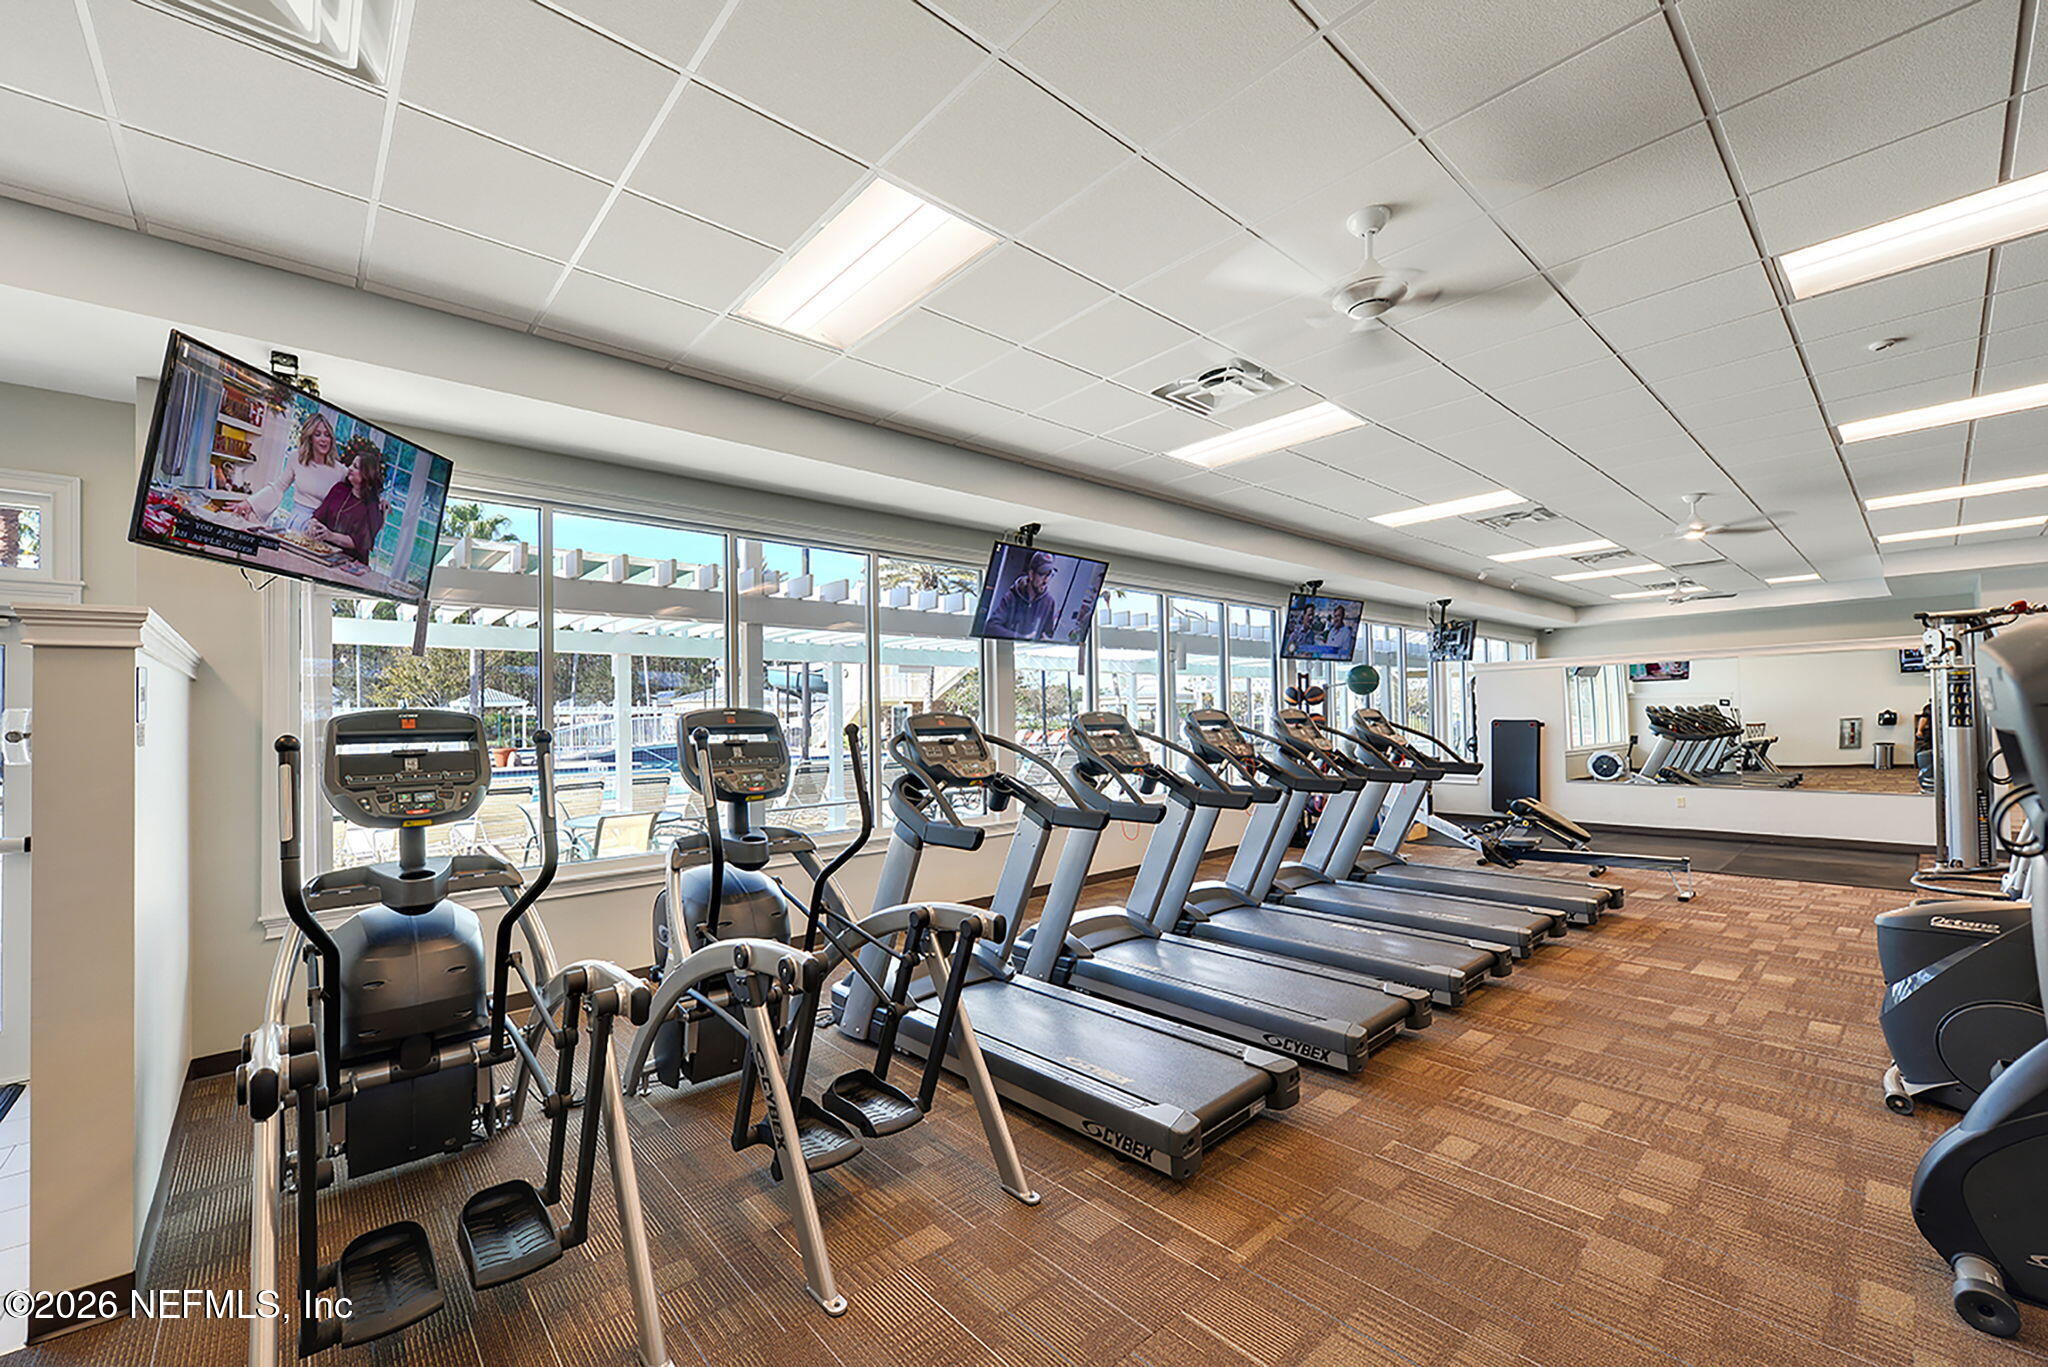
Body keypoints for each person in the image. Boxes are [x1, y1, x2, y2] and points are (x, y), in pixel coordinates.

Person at [230, 411, 348, 527]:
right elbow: (279, 487)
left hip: (321, 527)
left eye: (327, 435)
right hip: (296, 522)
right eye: (317, 434)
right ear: (310, 438)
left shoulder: (341, 471)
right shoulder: (296, 458)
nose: (324, 439)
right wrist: (249, 503)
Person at [307, 439, 386, 565]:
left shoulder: (372, 508)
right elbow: (318, 516)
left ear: (366, 474)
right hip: (324, 554)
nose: (349, 468)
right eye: (351, 465)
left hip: (349, 564)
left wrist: (330, 535)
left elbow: (358, 542)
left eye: (355, 467)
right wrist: (313, 525)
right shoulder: (339, 489)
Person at [984, 550, 1061, 640]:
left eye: (1049, 575)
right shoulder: (1011, 597)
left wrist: (1046, 640)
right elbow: (991, 627)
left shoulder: (1049, 602)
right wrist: (1021, 638)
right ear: (1031, 574)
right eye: (1042, 575)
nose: (1046, 581)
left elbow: (1048, 633)